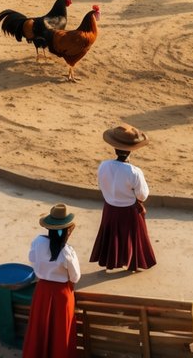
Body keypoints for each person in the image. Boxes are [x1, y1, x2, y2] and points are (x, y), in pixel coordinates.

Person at [90, 125, 157, 272]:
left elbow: (101, 184)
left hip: (109, 207)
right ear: (131, 150)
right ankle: (132, 263)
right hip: (129, 211)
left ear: (114, 147)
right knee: (133, 238)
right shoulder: (134, 172)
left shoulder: (104, 165)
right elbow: (142, 195)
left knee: (111, 236)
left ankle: (111, 261)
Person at [23, 203, 81, 358]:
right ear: (67, 230)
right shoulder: (68, 252)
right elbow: (75, 277)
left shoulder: (38, 242)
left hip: (42, 291)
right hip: (62, 295)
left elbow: (32, 259)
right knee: (61, 332)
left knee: (40, 326)